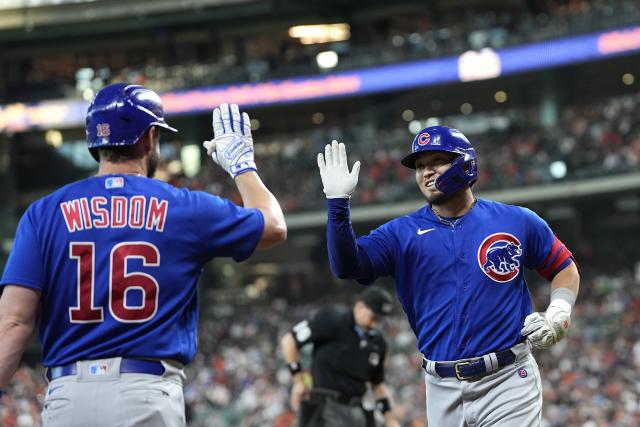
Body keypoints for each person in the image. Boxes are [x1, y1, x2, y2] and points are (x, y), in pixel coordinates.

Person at [0, 83, 286, 427]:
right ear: (150, 138)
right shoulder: (183, 206)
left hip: (67, 395)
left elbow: (14, 322)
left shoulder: (43, 213)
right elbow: (274, 226)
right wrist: (243, 167)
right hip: (144, 391)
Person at [316, 127, 580, 426]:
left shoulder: (516, 220)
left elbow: (563, 267)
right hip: (441, 386)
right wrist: (337, 204)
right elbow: (347, 267)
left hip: (507, 379)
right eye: (419, 166)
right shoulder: (400, 233)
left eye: (436, 162)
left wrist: (560, 311)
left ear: (465, 164)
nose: (426, 172)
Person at [280, 287, 401, 427]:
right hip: (326, 406)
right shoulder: (334, 318)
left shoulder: (378, 343)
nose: (375, 324)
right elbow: (289, 340)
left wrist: (390, 419)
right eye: (373, 317)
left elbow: (377, 384)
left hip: (357, 411)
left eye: (379, 320)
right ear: (359, 307)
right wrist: (298, 380)